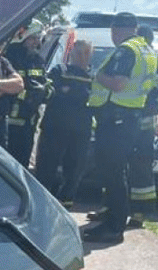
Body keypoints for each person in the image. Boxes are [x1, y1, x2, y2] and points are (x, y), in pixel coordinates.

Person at [83, 11, 158, 245]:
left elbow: (118, 83)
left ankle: (114, 227)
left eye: (114, 30)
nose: (113, 35)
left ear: (119, 29)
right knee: (118, 173)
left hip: (116, 119)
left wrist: (96, 74)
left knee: (112, 173)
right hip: (129, 119)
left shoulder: (127, 50)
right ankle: (114, 219)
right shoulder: (146, 49)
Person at [126, 25, 158, 228]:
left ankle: (140, 213)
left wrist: (154, 108)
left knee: (141, 169)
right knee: (116, 166)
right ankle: (111, 208)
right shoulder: (127, 58)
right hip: (122, 122)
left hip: (145, 126)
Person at [34, 39, 94, 207]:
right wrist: (76, 93)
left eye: (86, 53)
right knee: (47, 166)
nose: (82, 57)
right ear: (71, 54)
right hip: (55, 127)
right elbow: (52, 93)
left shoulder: (93, 77)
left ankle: (66, 201)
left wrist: (70, 91)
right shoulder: (59, 71)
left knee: (75, 168)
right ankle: (41, 200)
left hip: (80, 131)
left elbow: (93, 99)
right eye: (79, 53)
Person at [5, 20, 50, 167]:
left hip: (29, 123)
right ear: (23, 36)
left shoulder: (38, 60)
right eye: (33, 37)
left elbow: (44, 83)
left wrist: (45, 92)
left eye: (38, 38)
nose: (36, 42)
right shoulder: (8, 56)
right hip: (8, 122)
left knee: (21, 166)